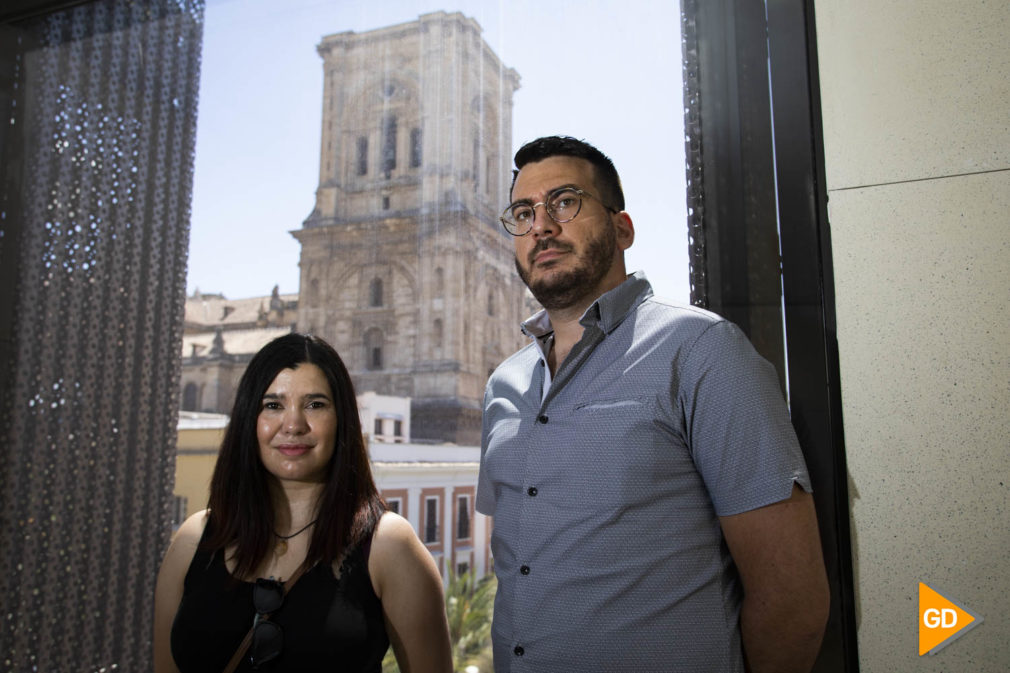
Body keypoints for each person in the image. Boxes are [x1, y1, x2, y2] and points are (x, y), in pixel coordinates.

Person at [477, 136, 830, 672]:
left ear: (623, 229)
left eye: (565, 202)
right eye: (523, 213)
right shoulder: (503, 385)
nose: (542, 225)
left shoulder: (701, 351)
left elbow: (791, 597)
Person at [154, 333, 452, 672]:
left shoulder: (390, 547)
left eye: (315, 404)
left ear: (343, 420)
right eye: (273, 405)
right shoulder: (194, 540)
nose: (293, 425)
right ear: (248, 419)